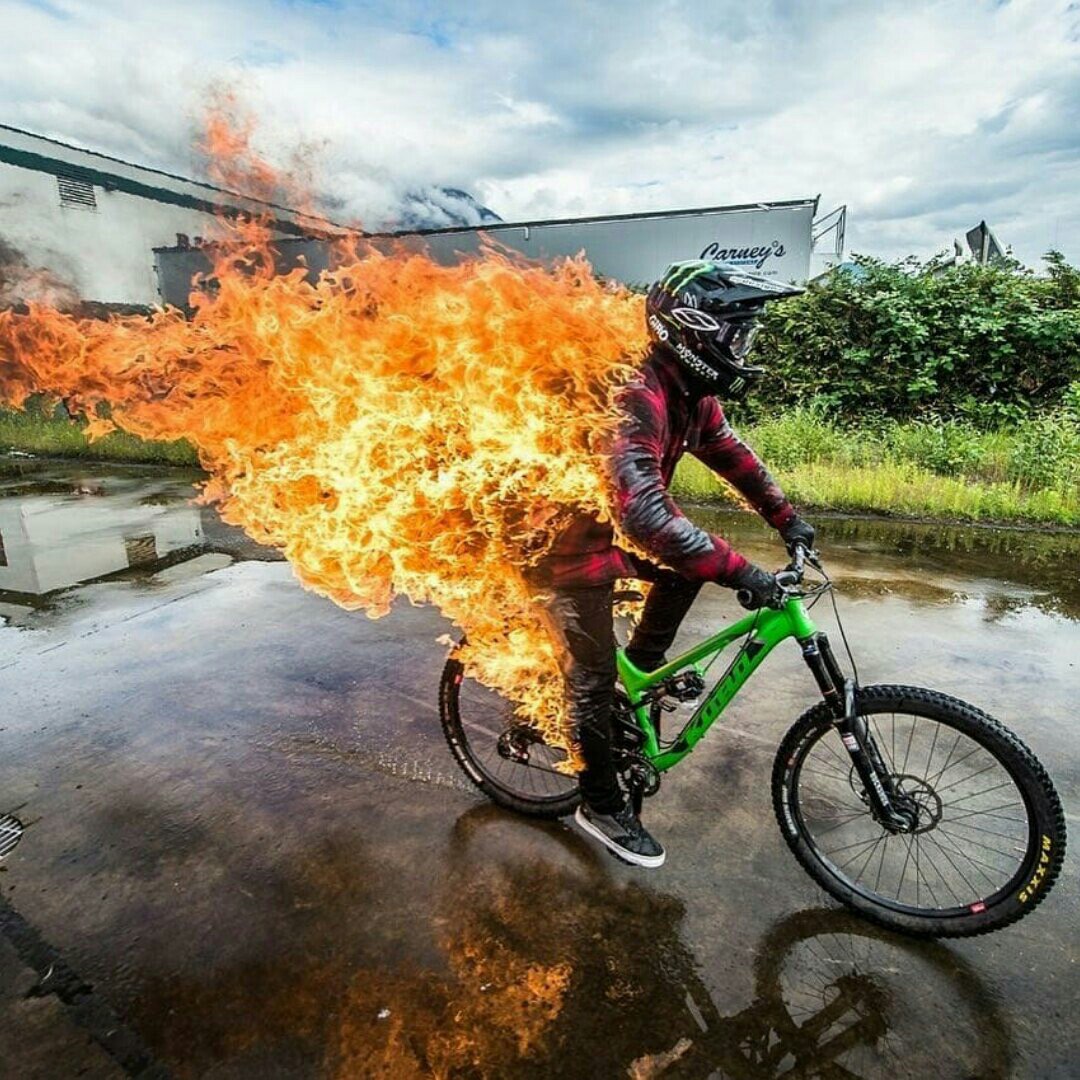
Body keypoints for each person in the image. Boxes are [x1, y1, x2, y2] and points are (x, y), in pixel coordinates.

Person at [535, 260, 816, 868]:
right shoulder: (632, 394)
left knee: (691, 564)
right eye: (736, 336)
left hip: (608, 529)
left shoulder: (690, 392)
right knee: (590, 673)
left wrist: (786, 518)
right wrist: (743, 571)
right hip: (564, 542)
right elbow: (644, 517)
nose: (745, 349)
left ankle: (642, 673)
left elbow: (729, 454)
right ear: (693, 333)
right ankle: (601, 803)